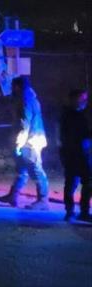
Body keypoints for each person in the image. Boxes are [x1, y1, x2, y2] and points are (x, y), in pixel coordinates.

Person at [0, 77, 49, 210]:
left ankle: (43, 200)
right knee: (22, 169)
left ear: (18, 87)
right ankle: (13, 195)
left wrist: (19, 142)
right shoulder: (28, 98)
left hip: (30, 141)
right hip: (30, 139)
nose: (11, 89)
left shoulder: (25, 100)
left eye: (13, 87)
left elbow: (24, 123)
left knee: (36, 170)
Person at [59, 88, 91, 221]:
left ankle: (83, 212)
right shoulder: (68, 116)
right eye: (81, 98)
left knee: (88, 183)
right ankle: (70, 211)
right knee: (71, 183)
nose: (85, 101)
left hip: (85, 155)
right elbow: (65, 137)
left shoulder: (84, 115)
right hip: (73, 154)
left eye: (85, 99)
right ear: (74, 99)